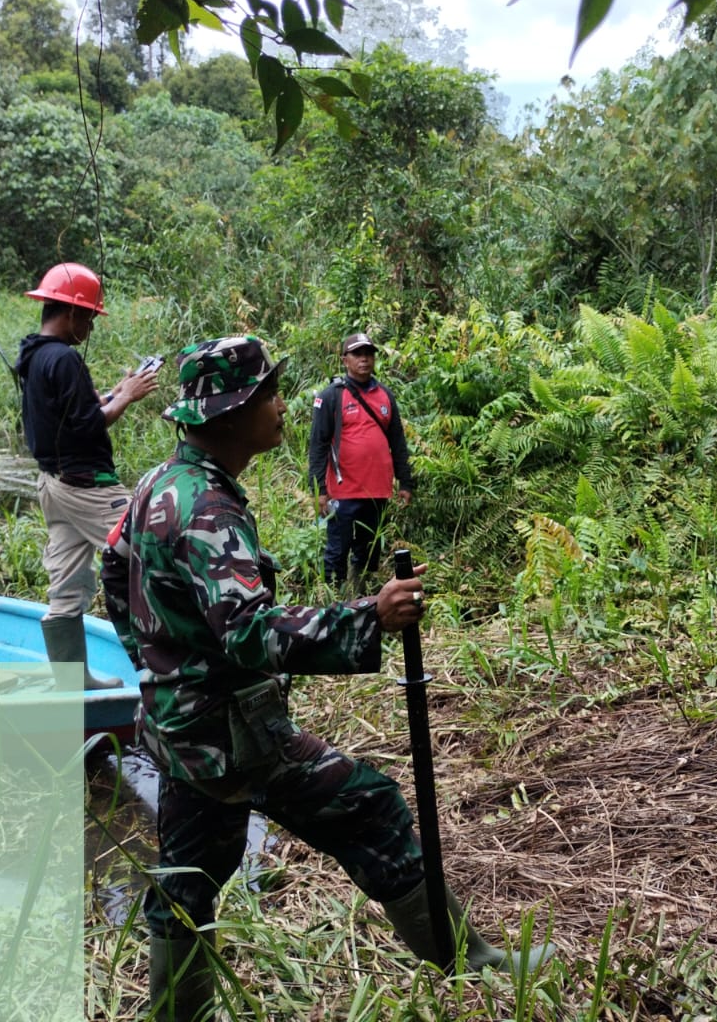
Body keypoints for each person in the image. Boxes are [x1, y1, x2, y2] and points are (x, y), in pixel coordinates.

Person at [101, 336, 551, 1020]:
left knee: (188, 878)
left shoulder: (158, 486)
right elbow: (250, 631)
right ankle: (467, 961)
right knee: (369, 807)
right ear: (230, 414)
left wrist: (160, 671)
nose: (283, 406)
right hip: (233, 737)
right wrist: (369, 615)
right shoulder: (207, 509)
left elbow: (113, 572)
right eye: (269, 395)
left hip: (180, 729)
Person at [15, 261, 158, 689]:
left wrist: (110, 395)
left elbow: (68, 416)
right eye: (90, 317)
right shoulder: (65, 359)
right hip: (85, 485)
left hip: (53, 485)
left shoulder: (35, 354)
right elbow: (86, 426)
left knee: (67, 582)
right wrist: (127, 397)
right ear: (72, 313)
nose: (91, 327)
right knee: (153, 551)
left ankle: (73, 683)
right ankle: (169, 666)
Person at [308, 331, 416, 592]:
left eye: (368, 353)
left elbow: (398, 442)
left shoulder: (385, 396)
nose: (364, 359)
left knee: (369, 549)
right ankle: (333, 599)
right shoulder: (332, 396)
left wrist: (405, 482)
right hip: (343, 491)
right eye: (357, 354)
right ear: (345, 360)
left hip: (378, 490)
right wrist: (319, 490)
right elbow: (318, 445)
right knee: (337, 548)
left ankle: (364, 596)